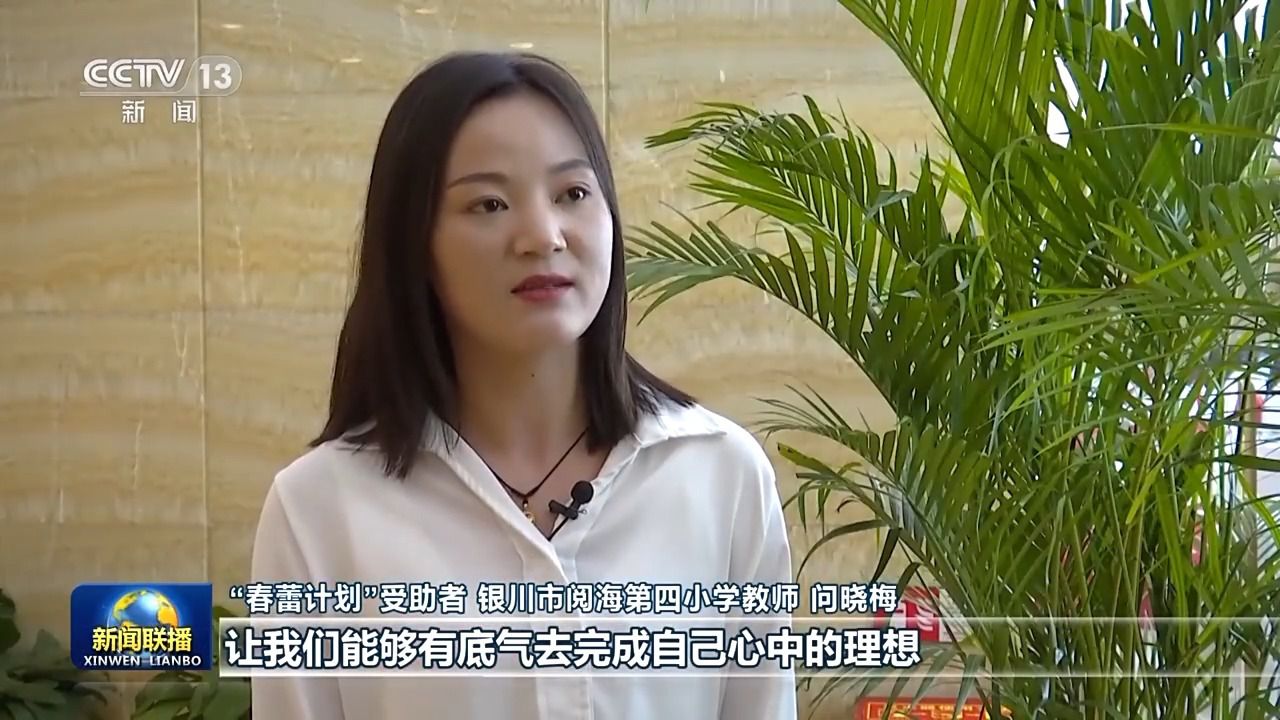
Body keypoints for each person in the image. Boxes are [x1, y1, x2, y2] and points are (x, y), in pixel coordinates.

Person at [249, 50, 797, 720]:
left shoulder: (718, 474)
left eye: (573, 194)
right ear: (414, 244)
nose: (542, 235)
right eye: (489, 203)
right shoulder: (319, 509)